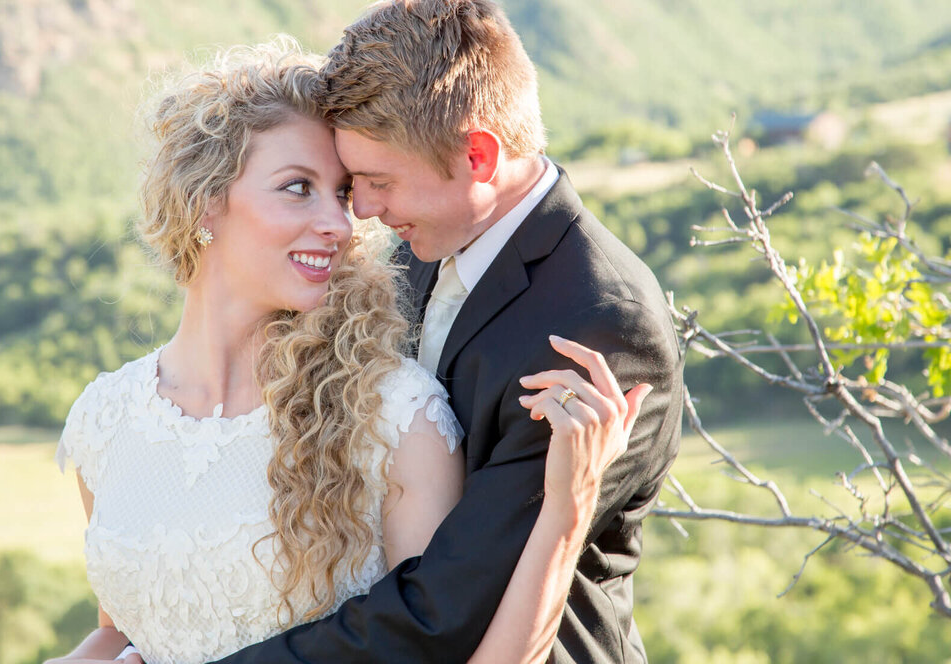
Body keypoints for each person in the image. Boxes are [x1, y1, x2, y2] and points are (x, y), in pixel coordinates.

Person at [47, 39, 649, 664]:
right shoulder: (106, 420)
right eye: (297, 188)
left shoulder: (394, 417)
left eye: (341, 192)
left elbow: (445, 643)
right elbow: (123, 633)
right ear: (206, 203)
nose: (342, 222)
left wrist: (567, 509)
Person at [209, 0, 685, 664]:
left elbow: (450, 608)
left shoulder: (601, 323)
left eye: (379, 180)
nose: (363, 211)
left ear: (479, 157)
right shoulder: (420, 248)